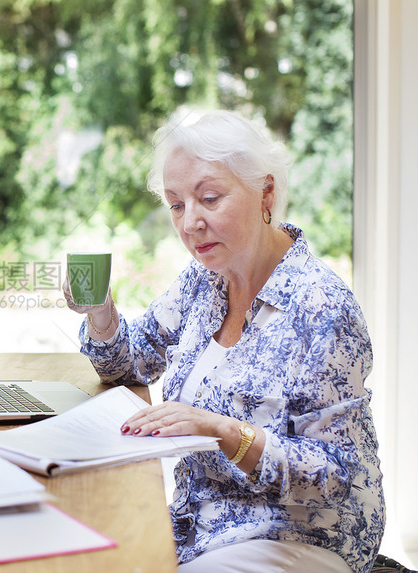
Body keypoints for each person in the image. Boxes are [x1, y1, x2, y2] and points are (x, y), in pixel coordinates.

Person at [65, 109, 385, 573]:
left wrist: (223, 430)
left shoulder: (321, 307)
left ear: (266, 192)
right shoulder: (205, 280)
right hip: (201, 527)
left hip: (299, 534)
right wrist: (100, 314)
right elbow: (130, 366)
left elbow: (335, 476)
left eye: (209, 198)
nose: (189, 222)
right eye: (176, 204)